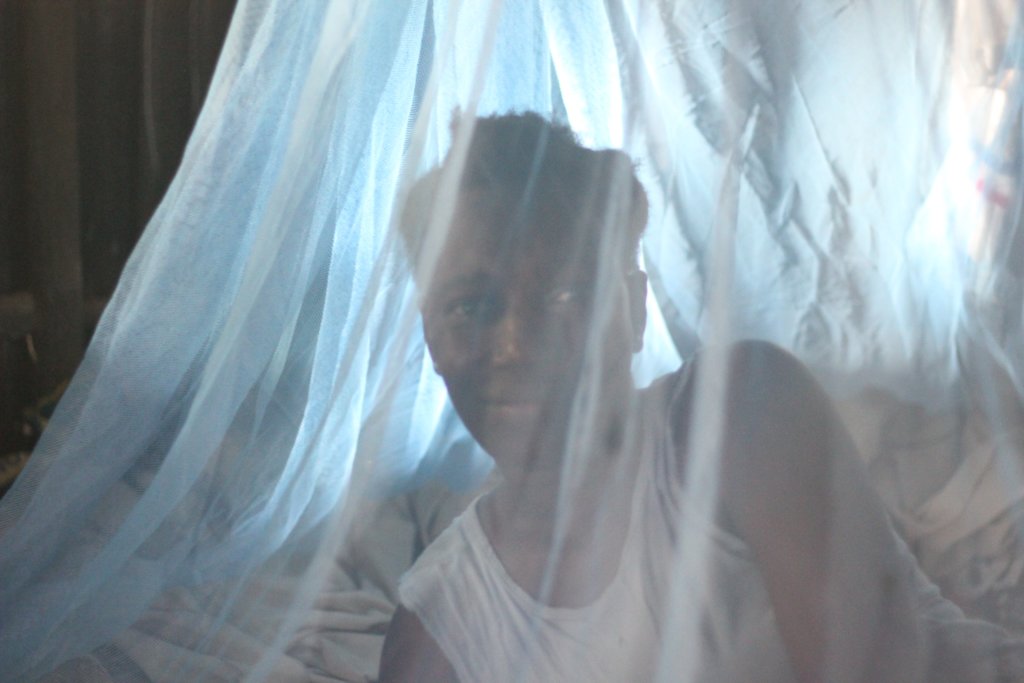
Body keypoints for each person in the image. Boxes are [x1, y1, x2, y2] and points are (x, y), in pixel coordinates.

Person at [377, 112, 1024, 682]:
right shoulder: (438, 627)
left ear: (633, 309)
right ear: (431, 336)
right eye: (473, 307)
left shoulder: (742, 412)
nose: (518, 347)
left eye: (567, 295)